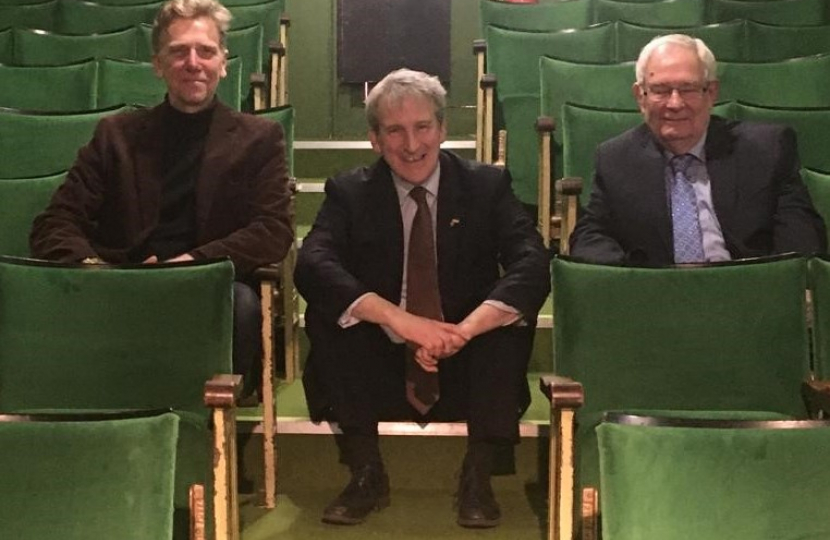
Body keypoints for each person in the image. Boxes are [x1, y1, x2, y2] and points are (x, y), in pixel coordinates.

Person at [294, 68, 550, 528]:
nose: (411, 144)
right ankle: (365, 472)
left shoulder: (486, 186)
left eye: (422, 127)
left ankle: (479, 474)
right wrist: (400, 320)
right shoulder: (349, 191)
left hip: (465, 360)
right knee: (330, 312)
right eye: (395, 130)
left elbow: (531, 261)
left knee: (509, 320)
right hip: (382, 363)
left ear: (443, 128)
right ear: (375, 138)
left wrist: (465, 329)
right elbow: (312, 263)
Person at [29, 0, 293, 392]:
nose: (192, 62)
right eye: (178, 51)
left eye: (205, 51)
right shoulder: (115, 136)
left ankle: (213, 435)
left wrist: (191, 265)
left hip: (209, 286)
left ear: (223, 61)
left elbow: (272, 229)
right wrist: (101, 271)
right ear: (157, 64)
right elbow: (55, 223)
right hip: (121, 284)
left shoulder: (259, 139)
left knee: (241, 306)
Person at [570, 33, 826, 265]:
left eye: (688, 89)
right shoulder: (616, 158)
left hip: (748, 295)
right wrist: (629, 279)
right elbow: (591, 234)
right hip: (656, 298)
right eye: (660, 90)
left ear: (711, 92)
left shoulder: (766, 149)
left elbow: (801, 239)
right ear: (640, 96)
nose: (674, 103)